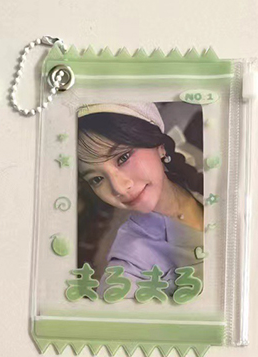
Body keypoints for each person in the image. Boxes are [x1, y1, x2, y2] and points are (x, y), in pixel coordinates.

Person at [77, 103, 204, 295]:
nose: (119, 188)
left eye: (123, 158)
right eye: (97, 179)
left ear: (159, 146)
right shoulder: (131, 262)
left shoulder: (208, 171)